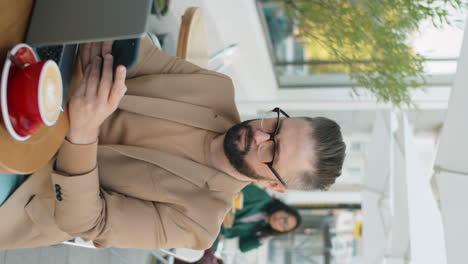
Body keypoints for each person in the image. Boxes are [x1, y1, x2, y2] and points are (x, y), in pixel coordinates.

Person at [0, 37, 346, 250]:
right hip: (42, 95)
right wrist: (107, 48)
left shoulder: (198, 223)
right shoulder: (215, 89)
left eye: (272, 151)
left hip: (25, 187)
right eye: (276, 125)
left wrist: (84, 134)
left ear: (272, 185)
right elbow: (127, 51)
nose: (259, 135)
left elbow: (87, 221)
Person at [217, 184, 301, 252]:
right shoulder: (261, 198)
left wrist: (269, 235)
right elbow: (233, 191)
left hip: (214, 233)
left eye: (284, 225)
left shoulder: (261, 226)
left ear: (280, 231)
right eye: (285, 217)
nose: (280, 220)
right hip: (215, 208)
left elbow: (244, 246)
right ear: (283, 209)